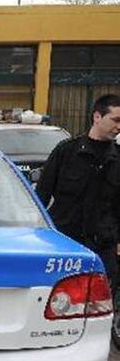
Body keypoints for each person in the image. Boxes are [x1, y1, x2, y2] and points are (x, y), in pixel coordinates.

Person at [37, 94, 120, 294]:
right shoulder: (67, 152)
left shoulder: (117, 158)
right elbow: (40, 197)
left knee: (103, 301)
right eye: (115, 120)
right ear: (97, 117)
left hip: (103, 246)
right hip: (65, 243)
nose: (118, 126)